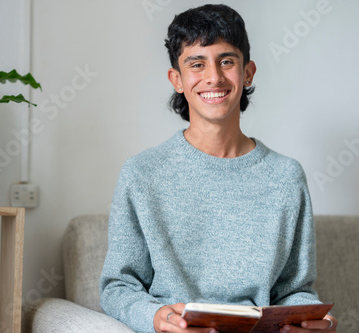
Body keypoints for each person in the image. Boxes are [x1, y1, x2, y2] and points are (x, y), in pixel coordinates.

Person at [99, 4, 338, 333]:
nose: (214, 76)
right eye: (197, 64)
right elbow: (119, 288)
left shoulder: (286, 176)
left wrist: (310, 317)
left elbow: (294, 290)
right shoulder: (142, 173)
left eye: (227, 61)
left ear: (248, 72)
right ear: (177, 79)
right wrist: (155, 319)